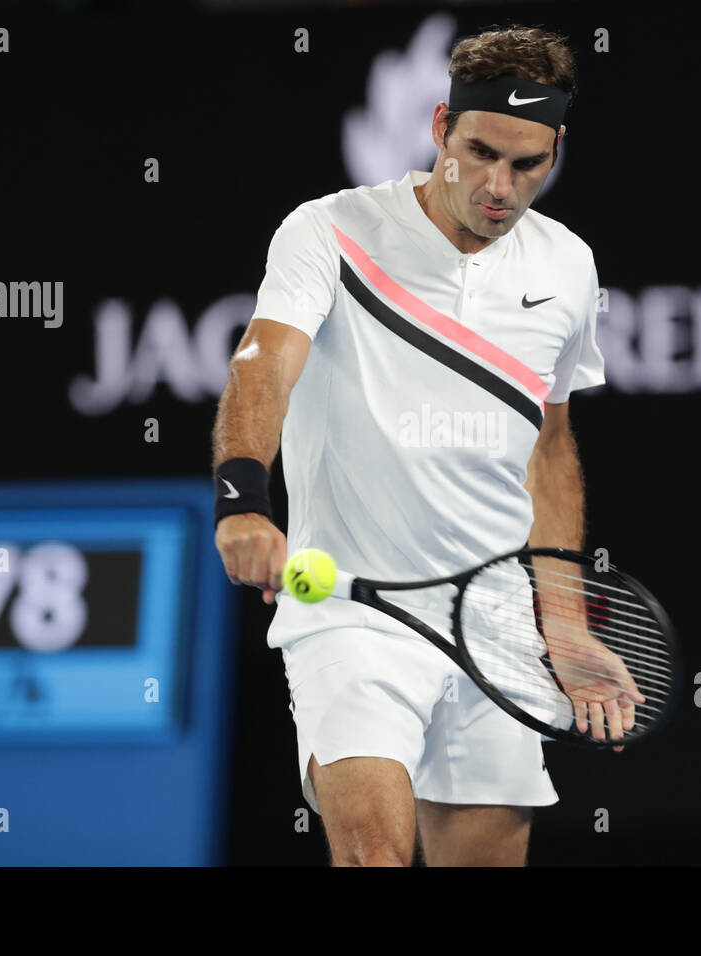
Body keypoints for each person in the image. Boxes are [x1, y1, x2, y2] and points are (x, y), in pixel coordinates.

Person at [212, 24, 605, 866]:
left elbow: (550, 448)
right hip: (352, 609)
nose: (500, 186)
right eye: (480, 153)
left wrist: (564, 626)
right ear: (439, 128)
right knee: (374, 856)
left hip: (495, 625)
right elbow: (262, 367)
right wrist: (244, 499)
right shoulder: (329, 231)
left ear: (557, 148)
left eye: (528, 164)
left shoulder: (568, 265)